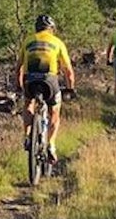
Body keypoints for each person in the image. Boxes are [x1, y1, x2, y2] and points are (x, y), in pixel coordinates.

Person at [17, 14, 76, 163]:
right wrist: (70, 89)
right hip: (49, 81)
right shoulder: (57, 42)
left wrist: (19, 86)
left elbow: (18, 68)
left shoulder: (28, 41)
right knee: (54, 110)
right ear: (51, 29)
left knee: (28, 103)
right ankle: (51, 145)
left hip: (30, 80)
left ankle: (27, 136)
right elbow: (68, 72)